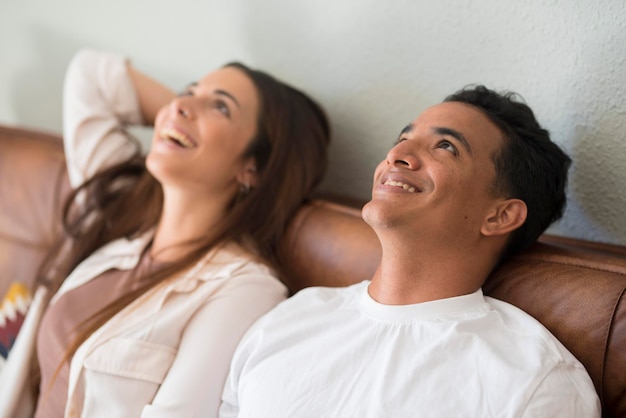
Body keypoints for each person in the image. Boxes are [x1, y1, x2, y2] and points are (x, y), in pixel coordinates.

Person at [219, 86, 601, 417]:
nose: (398, 154)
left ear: (500, 215)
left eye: (446, 147)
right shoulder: (289, 320)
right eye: (403, 137)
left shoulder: (533, 381)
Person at [4, 48, 330, 418]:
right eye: (186, 92)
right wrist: (179, 122)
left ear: (252, 169)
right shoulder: (120, 209)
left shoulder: (244, 291)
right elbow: (90, 75)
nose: (181, 105)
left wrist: (186, 127)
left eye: (221, 107)